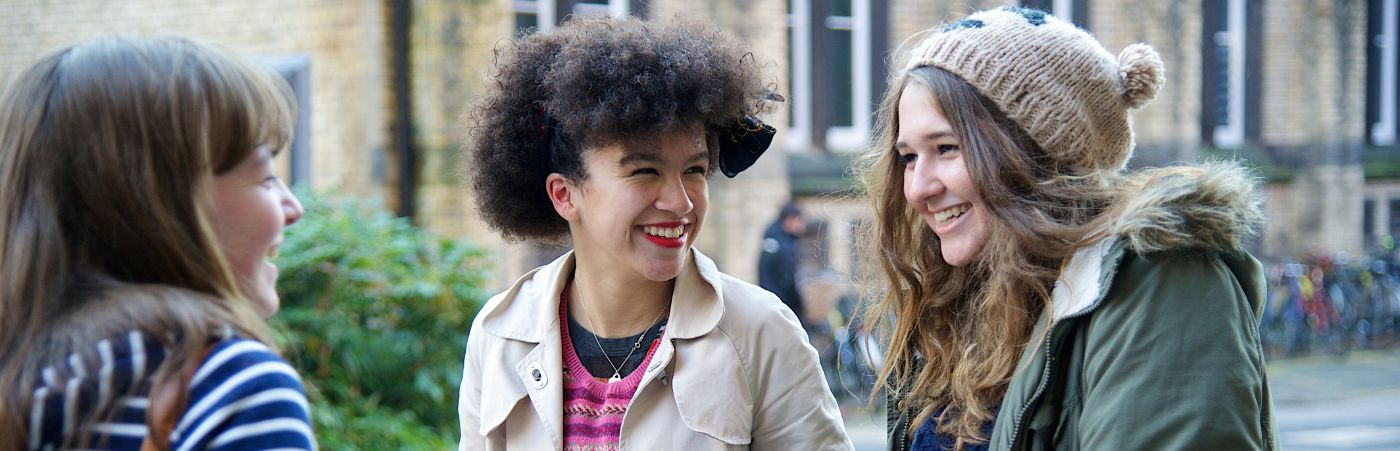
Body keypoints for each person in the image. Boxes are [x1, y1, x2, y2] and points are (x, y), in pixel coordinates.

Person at [856, 7, 1278, 450]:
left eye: (946, 148)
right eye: (908, 157)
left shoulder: (1162, 284)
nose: (918, 188)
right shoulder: (960, 307)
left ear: (1037, 155)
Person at [458, 15, 851, 450]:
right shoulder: (499, 335)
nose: (680, 201)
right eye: (645, 171)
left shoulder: (760, 333)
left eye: (694, 170)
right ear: (564, 194)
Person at [0, 36, 315, 449]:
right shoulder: (227, 389)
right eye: (265, 173)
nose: (293, 207)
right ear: (164, 204)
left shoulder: (23, 390)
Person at [758, 202, 808, 329]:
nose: (803, 226)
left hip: (768, 306)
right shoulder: (785, 246)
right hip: (784, 309)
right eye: (800, 221)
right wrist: (800, 307)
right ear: (790, 220)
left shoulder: (770, 239)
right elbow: (788, 280)